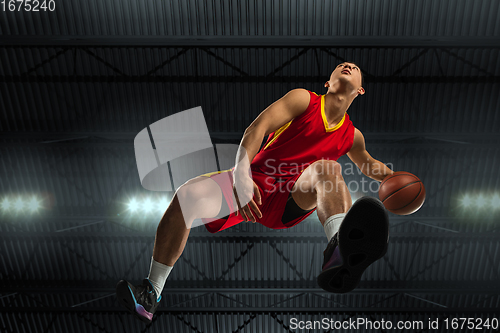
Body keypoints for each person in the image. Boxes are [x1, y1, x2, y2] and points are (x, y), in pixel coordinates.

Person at [116, 62, 394, 324]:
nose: (349, 66)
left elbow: (370, 165)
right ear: (328, 82)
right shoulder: (304, 100)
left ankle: (339, 248)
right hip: (255, 184)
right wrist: (241, 174)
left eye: (355, 68)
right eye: (342, 66)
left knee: (327, 169)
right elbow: (258, 127)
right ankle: (150, 293)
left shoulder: (352, 136)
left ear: (360, 90)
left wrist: (397, 179)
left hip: (292, 196)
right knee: (187, 196)